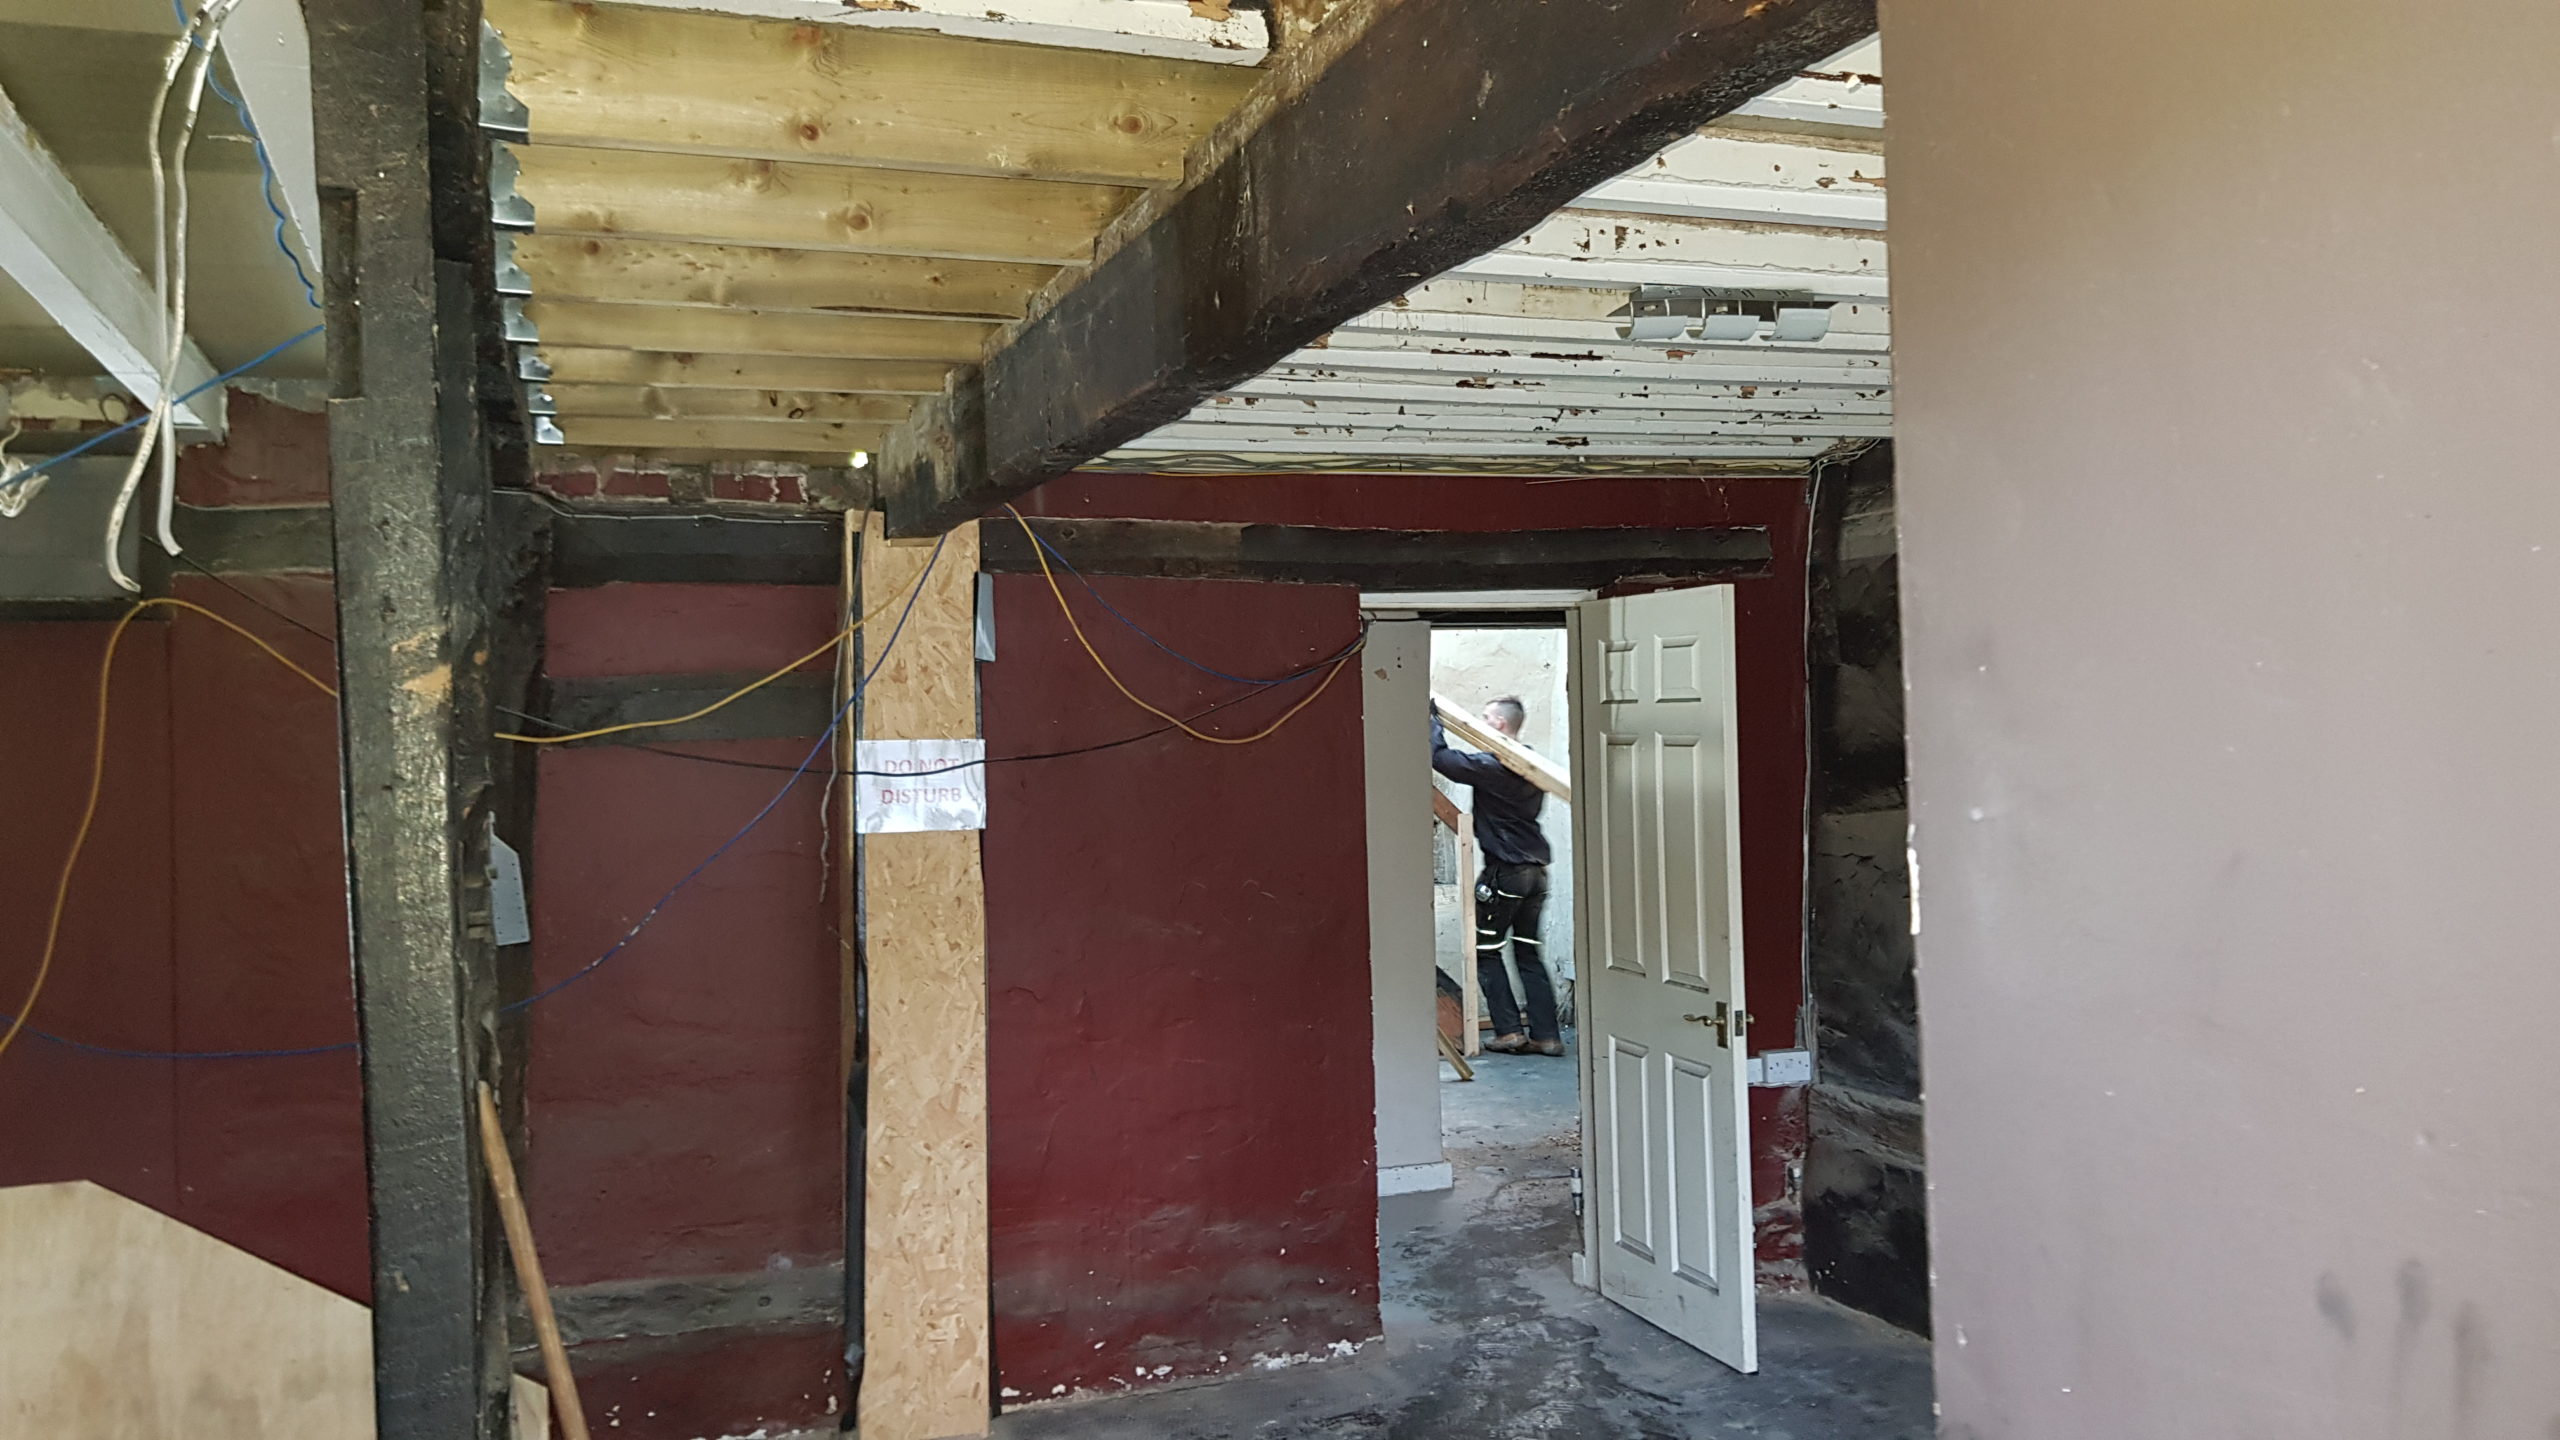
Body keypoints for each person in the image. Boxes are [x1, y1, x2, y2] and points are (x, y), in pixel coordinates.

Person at [1431, 695, 1562, 1057]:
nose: (1482, 723)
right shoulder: (1533, 767)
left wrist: (1431, 720)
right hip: (1536, 875)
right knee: (1528, 954)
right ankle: (1547, 1036)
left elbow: (1440, 758)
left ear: (1500, 724)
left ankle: (1509, 1032)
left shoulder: (1494, 767)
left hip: (1505, 874)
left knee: (1486, 952)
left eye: (1486, 718)